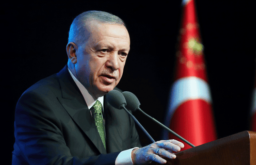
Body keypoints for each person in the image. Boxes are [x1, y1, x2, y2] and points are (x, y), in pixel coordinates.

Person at [12, 10, 184, 165]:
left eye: (122, 54)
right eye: (103, 50)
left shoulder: (119, 103)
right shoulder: (38, 102)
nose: (115, 64)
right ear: (73, 53)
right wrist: (131, 157)